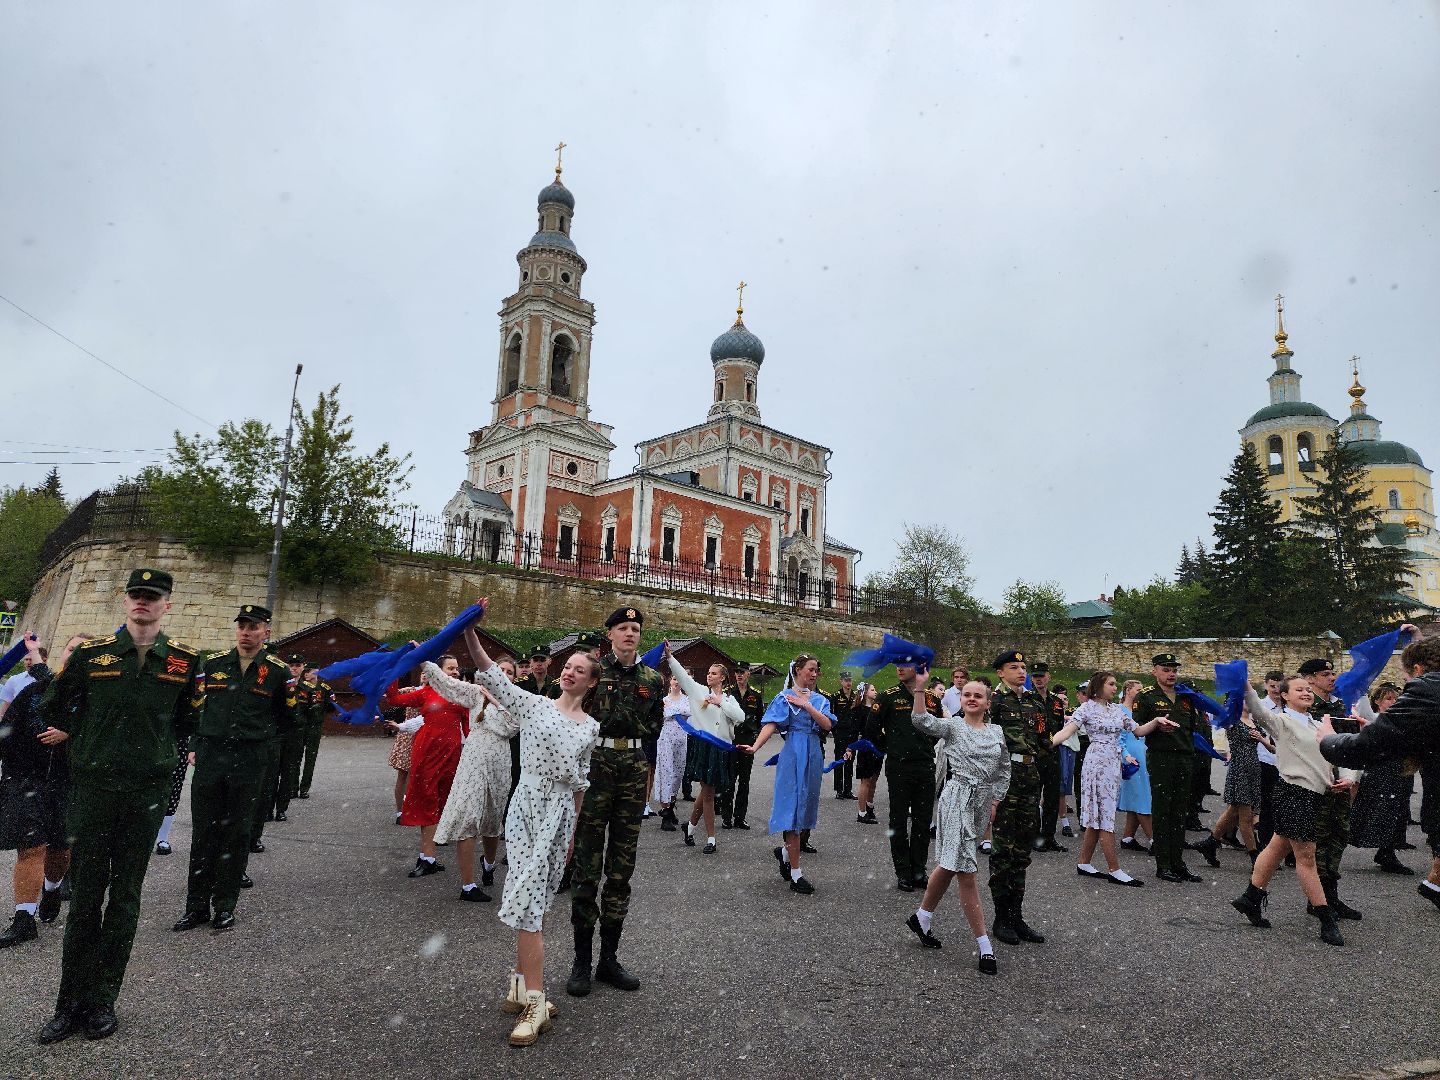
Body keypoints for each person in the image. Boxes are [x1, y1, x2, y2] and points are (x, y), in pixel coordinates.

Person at [37, 568, 202, 1044]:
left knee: (126, 897)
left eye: (152, 598)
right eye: (136, 596)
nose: (142, 603)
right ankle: (68, 1004)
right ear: (125, 601)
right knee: (86, 896)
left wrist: (159, 750)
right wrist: (87, 736)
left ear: (166, 605)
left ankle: (103, 1000)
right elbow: (54, 705)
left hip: (145, 791)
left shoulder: (183, 662)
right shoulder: (93, 656)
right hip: (95, 788)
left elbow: (190, 717)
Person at [465, 602, 599, 1047]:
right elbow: (492, 675)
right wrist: (469, 631)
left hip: (558, 816)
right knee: (527, 902)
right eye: (567, 666)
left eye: (579, 670)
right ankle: (534, 998)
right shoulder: (535, 705)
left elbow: (579, 785)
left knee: (534, 900)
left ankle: (523, 987)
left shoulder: (590, 727)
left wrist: (573, 834)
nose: (569, 673)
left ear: (591, 682)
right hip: (526, 806)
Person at [174, 604, 296, 934]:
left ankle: (224, 906)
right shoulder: (212, 665)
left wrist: (261, 742)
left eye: (253, 626)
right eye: (242, 625)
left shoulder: (277, 672)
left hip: (249, 761)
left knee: (237, 834)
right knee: (204, 834)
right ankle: (196, 906)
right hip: (211, 758)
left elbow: (288, 719)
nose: (246, 631)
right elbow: (196, 709)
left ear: (266, 632)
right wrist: (196, 745)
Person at [567, 607, 664, 998]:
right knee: (587, 865)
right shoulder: (593, 673)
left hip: (633, 769)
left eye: (635, 629)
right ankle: (581, 961)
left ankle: (609, 958)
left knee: (622, 867)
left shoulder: (652, 679)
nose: (630, 634)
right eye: (623, 628)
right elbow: (573, 713)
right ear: (610, 635)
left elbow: (655, 723)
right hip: (596, 766)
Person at [1318, 632, 1440, 915]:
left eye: (1409, 678)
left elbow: (1367, 748)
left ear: (1419, 670)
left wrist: (1326, 738)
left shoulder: (1427, 689)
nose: (1408, 685)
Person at [1231, 674, 1356, 946]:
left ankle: (1251, 898)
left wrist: (1346, 778)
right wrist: (1246, 686)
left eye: (1309, 690)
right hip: (1293, 793)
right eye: (1299, 689)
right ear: (1284, 696)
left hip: (1315, 796)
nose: (1306, 693)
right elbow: (1259, 711)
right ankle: (1326, 918)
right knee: (1307, 859)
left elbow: (1338, 755)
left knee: (1277, 847)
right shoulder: (1282, 721)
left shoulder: (1317, 724)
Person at [905, 677, 1009, 973]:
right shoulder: (952, 726)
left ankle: (922, 918)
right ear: (960, 699)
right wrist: (919, 687)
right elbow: (919, 719)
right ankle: (985, 946)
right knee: (967, 870)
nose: (972, 699)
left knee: (949, 864)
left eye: (978, 695)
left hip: (981, 801)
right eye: (967, 695)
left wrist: (995, 801)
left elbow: (1004, 769)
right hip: (957, 798)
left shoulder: (997, 731)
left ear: (988, 703)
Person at [0, 633, 90, 948]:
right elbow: (6, 731)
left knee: (58, 849)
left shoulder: (97, 699)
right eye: (71, 648)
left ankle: (51, 889)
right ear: (62, 654)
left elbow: (109, 738)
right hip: (26, 780)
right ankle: (24, 918)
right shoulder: (35, 691)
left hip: (68, 782)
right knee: (31, 847)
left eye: (83, 650)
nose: (75, 654)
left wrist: (72, 732)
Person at [1050, 670, 1174, 885]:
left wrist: (1156, 721)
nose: (1115, 688)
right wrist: (1046, 744)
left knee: (1098, 816)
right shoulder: (1086, 708)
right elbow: (1067, 731)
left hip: (1112, 764)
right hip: (1096, 762)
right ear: (1099, 686)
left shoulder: (1118, 710)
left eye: (1116, 684)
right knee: (1104, 815)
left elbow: (1139, 730)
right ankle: (1114, 869)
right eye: (1111, 684)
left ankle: (1084, 863)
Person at [423, 655, 521, 902]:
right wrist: (425, 660)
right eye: (501, 670)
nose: (505, 675)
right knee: (468, 816)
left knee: (492, 818)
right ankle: (468, 885)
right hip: (474, 759)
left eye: (510, 672)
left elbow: (511, 727)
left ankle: (488, 863)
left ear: (515, 678)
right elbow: (447, 684)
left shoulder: (518, 699)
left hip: (500, 761)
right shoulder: (475, 693)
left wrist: (496, 703)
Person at [738, 653, 836, 894]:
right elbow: (770, 724)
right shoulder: (784, 697)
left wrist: (807, 705)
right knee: (791, 807)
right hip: (793, 752)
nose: (814, 674)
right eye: (810, 669)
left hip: (813, 752)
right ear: (798, 670)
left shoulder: (820, 700)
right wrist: (755, 746)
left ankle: (784, 853)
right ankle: (796, 873)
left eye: (816, 670)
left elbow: (828, 725)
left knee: (805, 810)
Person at [382, 654, 471, 877]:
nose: (455, 672)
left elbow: (469, 730)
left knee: (442, 803)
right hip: (427, 753)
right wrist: (395, 669)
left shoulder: (461, 695)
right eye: (450, 668)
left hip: (451, 756)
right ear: (437, 672)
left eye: (456, 668)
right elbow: (393, 698)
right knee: (427, 800)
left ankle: (429, 857)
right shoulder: (426, 692)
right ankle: (427, 856)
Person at [985, 650, 1048, 946]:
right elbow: (983, 740)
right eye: (1014, 667)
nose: (1022, 671)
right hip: (1004, 778)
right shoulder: (993, 701)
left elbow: (1043, 739)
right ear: (1000, 672)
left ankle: (1016, 915)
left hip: (1030, 776)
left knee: (1022, 849)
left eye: (1023, 667)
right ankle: (1000, 917)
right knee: (1002, 850)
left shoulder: (1035, 701)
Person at [1298, 657, 1362, 921]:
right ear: (1310, 678)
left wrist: (1350, 777)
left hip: (1339, 779)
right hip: (1316, 780)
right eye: (1325, 674)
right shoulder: (1303, 705)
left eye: (1332, 673)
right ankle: (1318, 900)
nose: (1332, 678)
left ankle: (1331, 896)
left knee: (1339, 834)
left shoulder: (1338, 704)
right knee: (1318, 840)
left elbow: (1350, 743)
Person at [1132, 653, 1206, 883]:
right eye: (1165, 669)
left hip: (1185, 758)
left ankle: (1178, 862)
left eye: (1174, 669)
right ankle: (1163, 864)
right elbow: (1137, 727)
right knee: (1163, 811)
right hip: (1161, 757)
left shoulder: (1186, 696)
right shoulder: (1146, 697)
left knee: (1180, 811)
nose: (1171, 673)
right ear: (1154, 670)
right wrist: (1155, 727)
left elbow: (1193, 728)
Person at [869, 659, 941, 891]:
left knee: (922, 821)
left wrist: (924, 746)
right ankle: (903, 871)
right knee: (898, 820)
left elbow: (937, 729)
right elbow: (871, 728)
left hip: (925, 765)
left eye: (905, 665)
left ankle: (919, 870)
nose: (899, 669)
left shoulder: (931, 698)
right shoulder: (887, 696)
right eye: (897, 665)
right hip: (899, 766)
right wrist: (892, 746)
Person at [668, 653, 744, 854]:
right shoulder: (699, 691)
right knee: (709, 793)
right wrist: (668, 657)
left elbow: (740, 717)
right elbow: (683, 677)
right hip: (704, 747)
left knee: (707, 790)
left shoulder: (729, 699)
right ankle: (711, 839)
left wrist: (720, 702)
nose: (709, 676)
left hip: (721, 749)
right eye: (709, 673)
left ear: (722, 678)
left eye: (714, 673)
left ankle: (690, 827)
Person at [1347, 683, 1413, 875]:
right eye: (1388, 698)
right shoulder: (1375, 718)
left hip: (1400, 770)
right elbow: (1364, 707)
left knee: (1398, 812)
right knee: (1383, 812)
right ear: (1377, 701)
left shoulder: (1399, 719)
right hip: (1382, 771)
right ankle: (1386, 852)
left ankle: (1388, 850)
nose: (1393, 702)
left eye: (1395, 699)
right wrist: (1362, 684)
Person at [1194, 702, 1270, 868]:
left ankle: (1210, 843)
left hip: (1253, 769)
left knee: (1233, 811)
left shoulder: (1254, 721)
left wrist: (1262, 739)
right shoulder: (1233, 720)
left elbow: (1269, 744)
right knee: (1246, 817)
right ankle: (1254, 857)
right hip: (1240, 770)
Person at [1030, 662, 1069, 854]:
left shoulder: (1055, 701)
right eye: (1035, 676)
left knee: (1053, 797)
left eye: (1042, 675)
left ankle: (1049, 836)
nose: (1038, 679)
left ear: (1048, 676)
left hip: (1053, 754)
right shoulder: (1027, 699)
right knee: (1034, 797)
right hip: (1035, 755)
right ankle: (1036, 836)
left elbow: (1060, 727)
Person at [719, 664, 765, 829]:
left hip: (747, 741)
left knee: (744, 782)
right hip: (731, 740)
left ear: (748, 674)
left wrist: (755, 737)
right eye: (737, 672)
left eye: (742, 672)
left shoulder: (755, 696)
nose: (739, 675)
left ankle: (740, 817)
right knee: (729, 781)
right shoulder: (728, 693)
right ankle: (726, 817)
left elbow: (760, 719)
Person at [1117, 680, 1153, 852]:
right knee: (1142, 799)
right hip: (1132, 758)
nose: (1142, 693)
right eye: (1139, 690)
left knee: (1137, 796)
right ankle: (1154, 840)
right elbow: (1118, 738)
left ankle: (1128, 837)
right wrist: (1125, 756)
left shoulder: (1139, 711)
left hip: (1144, 756)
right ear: (1128, 691)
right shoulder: (1119, 711)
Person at [652, 675, 690, 831]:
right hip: (666, 738)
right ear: (670, 681)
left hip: (681, 738)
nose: (676, 682)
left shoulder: (686, 699)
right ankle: (665, 814)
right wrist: (677, 712)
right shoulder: (664, 700)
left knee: (678, 774)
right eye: (674, 679)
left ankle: (671, 806)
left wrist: (675, 711)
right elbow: (663, 713)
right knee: (666, 773)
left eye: (679, 679)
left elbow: (689, 712)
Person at [1254, 670, 1286, 848]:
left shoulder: (1287, 706)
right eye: (1272, 686)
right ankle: (1265, 844)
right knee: (1268, 804)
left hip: (1285, 761)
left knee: (1283, 805)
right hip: (1266, 759)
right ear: (1265, 685)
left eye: (1279, 686)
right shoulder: (1260, 706)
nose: (1275, 689)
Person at [297, 665, 334, 798]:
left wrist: (321, 710)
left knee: (310, 759)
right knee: (296, 758)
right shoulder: (299, 686)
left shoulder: (324, 689)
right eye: (305, 671)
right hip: (300, 726)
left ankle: (304, 789)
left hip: (315, 726)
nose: (306, 674)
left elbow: (331, 707)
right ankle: (292, 788)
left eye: (309, 671)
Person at [1057, 682, 1085, 839]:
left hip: (1072, 750)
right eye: (1060, 701)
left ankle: (1041, 809)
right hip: (1060, 748)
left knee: (1066, 785)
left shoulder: (1075, 714)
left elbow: (1083, 730)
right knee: (1061, 786)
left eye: (1065, 700)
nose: (1063, 703)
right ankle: (1065, 822)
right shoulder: (1053, 715)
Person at [852, 682, 882, 825]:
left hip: (878, 747)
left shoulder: (877, 709)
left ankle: (870, 805)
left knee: (874, 779)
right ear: (865, 692)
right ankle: (861, 812)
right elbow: (856, 730)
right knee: (866, 780)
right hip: (866, 747)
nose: (875, 692)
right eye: (872, 689)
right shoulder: (860, 710)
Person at [830, 671, 857, 799]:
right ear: (841, 681)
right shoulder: (835, 696)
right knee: (840, 760)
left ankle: (848, 790)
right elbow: (831, 715)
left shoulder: (856, 696)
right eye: (846, 680)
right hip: (840, 733)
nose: (848, 683)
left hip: (852, 733)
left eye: (850, 680)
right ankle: (839, 789)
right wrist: (834, 731)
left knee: (850, 761)